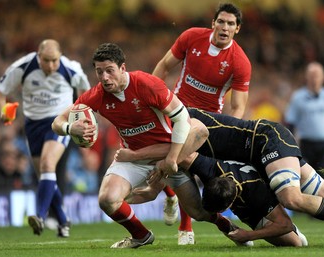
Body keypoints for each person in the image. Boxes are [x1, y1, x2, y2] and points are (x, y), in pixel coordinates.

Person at [51, 43, 252, 249]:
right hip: (132, 156)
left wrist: (171, 160)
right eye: (99, 72)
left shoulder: (146, 84)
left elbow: (183, 120)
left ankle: (226, 225)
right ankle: (141, 235)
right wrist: (69, 128)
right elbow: (57, 121)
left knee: (198, 212)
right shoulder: (97, 95)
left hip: (167, 152)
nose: (104, 78)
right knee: (107, 199)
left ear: (122, 68)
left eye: (109, 71)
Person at [184, 108, 324, 247]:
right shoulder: (181, 132)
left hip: (265, 141)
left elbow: (186, 147)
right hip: (262, 155)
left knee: (291, 198)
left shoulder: (187, 123)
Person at [152, 2, 252, 244]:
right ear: (213, 23)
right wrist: (152, 100)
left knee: (188, 168)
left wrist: (228, 135)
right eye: (221, 21)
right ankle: (175, 205)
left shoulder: (240, 62)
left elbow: (238, 106)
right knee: (161, 158)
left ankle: (188, 226)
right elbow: (164, 66)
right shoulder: (191, 37)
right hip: (177, 109)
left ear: (237, 29)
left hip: (208, 122)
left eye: (230, 24)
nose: (225, 27)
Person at [0, 39, 91, 237]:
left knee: (47, 165)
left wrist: (81, 114)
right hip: (33, 126)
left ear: (60, 56)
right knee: (45, 176)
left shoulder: (70, 68)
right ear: (39, 56)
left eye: (55, 60)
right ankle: (63, 221)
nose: (52, 65)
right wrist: (3, 109)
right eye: (47, 60)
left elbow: (86, 91)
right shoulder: (24, 66)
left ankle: (40, 216)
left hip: (59, 123)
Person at [116, 149, 308, 247]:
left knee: (297, 243)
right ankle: (220, 223)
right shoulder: (208, 167)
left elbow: (285, 225)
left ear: (229, 205)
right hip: (237, 194)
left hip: (259, 205)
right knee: (197, 212)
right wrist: (158, 183)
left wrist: (249, 235)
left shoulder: (257, 194)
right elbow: (176, 155)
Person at [284, 62, 324, 185]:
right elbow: (290, 123)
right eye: (311, 75)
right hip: (307, 146)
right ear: (306, 77)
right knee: (308, 180)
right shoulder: (297, 97)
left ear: (323, 77)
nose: (314, 79)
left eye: (317, 75)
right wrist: (287, 145)